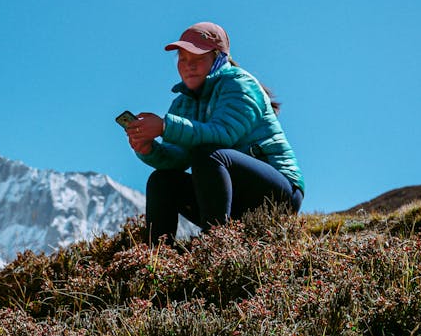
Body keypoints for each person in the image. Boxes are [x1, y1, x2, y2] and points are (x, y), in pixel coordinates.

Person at [124, 21, 304, 244]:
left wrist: (164, 127)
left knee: (210, 154)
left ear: (218, 57)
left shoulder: (240, 84)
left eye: (198, 59)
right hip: (231, 198)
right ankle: (157, 256)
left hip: (279, 195)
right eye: (183, 59)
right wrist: (150, 149)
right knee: (162, 180)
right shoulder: (183, 103)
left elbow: (223, 135)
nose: (188, 66)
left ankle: (214, 247)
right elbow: (179, 157)